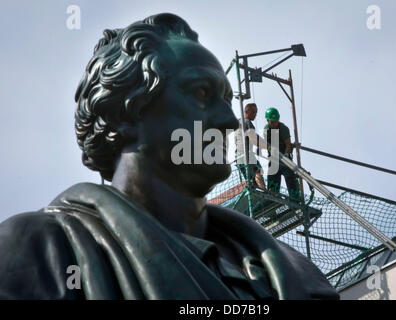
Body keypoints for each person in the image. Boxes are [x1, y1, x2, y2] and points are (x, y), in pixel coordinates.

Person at [0, 14, 338, 300]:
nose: (229, 121)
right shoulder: (35, 253)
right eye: (202, 93)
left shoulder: (299, 277)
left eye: (228, 99)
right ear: (125, 115)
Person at [264, 107, 302, 201]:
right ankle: (273, 201)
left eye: (276, 121)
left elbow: (288, 144)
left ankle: (295, 200)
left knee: (290, 180)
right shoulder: (266, 129)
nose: (274, 123)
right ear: (267, 120)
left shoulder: (283, 128)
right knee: (273, 182)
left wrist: (285, 156)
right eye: (272, 122)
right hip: (273, 160)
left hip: (284, 159)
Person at [235, 103, 266, 190]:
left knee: (251, 182)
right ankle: (264, 191)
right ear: (246, 111)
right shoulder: (247, 122)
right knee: (258, 171)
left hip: (238, 157)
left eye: (256, 112)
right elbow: (254, 139)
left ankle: (256, 195)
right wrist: (267, 146)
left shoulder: (238, 122)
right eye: (253, 112)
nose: (255, 114)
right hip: (247, 154)